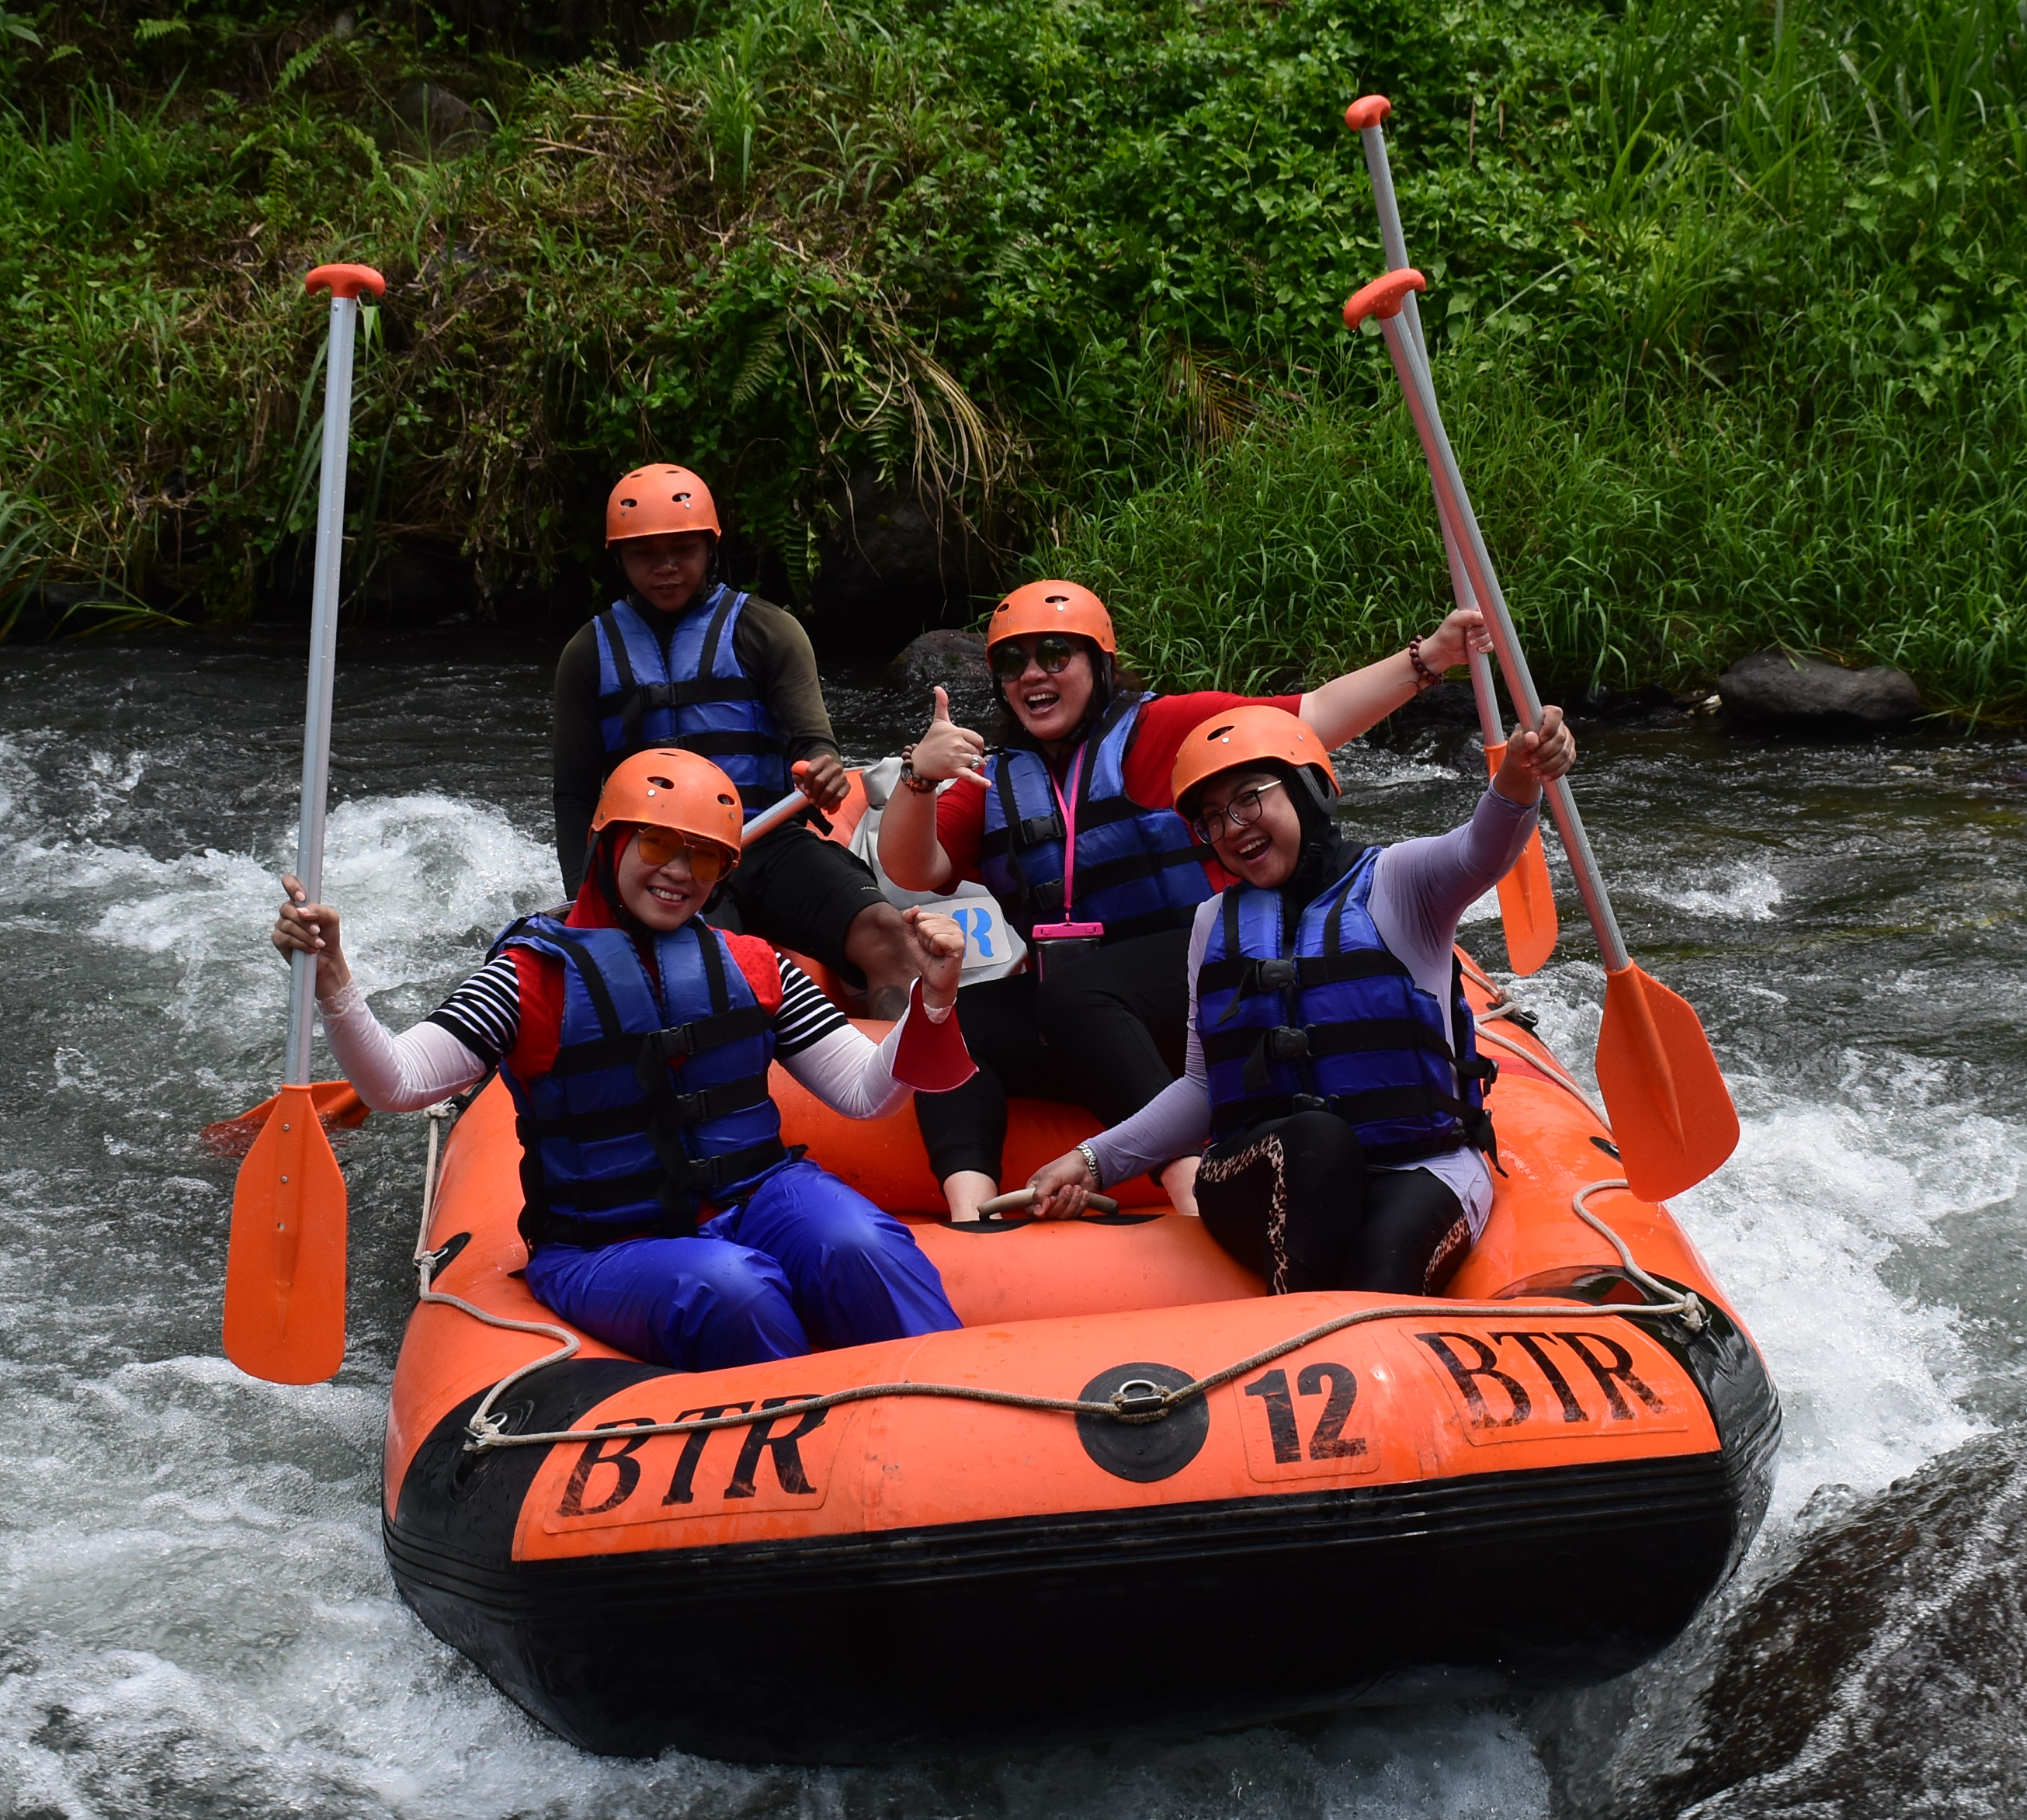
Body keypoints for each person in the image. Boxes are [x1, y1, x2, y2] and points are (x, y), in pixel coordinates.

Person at [272, 749, 976, 1372]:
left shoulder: (753, 964)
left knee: (863, 1248)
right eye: (658, 843)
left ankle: (951, 1426)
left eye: (702, 855)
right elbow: (397, 1082)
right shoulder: (529, 979)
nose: (678, 872)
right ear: (608, 845)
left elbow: (865, 1092)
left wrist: (932, 1004)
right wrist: (334, 978)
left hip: (758, 1198)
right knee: (734, 1291)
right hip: (603, 1245)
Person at [876, 577, 1493, 1225]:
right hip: (1090, 1016)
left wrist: (1430, 659)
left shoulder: (1163, 729)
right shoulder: (993, 778)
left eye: (1056, 654)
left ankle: (1191, 1189)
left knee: (1078, 994)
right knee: (951, 1018)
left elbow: (1310, 720)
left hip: (1217, 985)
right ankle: (972, 1216)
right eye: (1013, 661)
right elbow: (910, 865)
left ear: (1098, 663)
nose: (1034, 674)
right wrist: (920, 777)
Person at [1015, 699, 1579, 1295]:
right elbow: (1204, 1089)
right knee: (1314, 1138)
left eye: (1249, 799)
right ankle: (1298, 1316)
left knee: (1380, 1267)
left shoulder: (1400, 881)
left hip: (1419, 1163)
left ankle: (1327, 1327)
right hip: (1269, 1167)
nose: (1232, 828)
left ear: (1308, 790)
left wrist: (1519, 777)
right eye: (1212, 817)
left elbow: (1480, 850)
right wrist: (1093, 1160)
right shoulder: (1212, 923)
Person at [553, 464, 922, 1012]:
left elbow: (813, 744)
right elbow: (576, 795)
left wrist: (821, 766)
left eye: (683, 549)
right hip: (659, 860)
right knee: (691, 980)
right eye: (645, 554)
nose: (667, 568)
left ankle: (908, 1083)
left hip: (765, 841)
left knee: (885, 931)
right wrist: (586, 896)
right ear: (620, 561)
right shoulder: (587, 655)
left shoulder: (767, 631)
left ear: (710, 548)